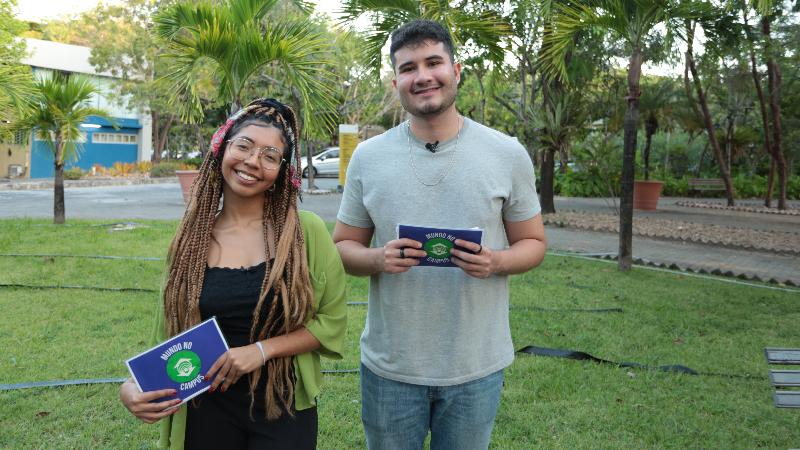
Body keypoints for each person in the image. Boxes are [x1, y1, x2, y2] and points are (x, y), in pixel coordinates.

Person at [332, 20, 547, 450]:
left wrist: (496, 261)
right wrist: (377, 259)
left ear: (457, 70)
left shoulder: (506, 153)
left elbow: (535, 244)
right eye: (409, 67)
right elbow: (342, 247)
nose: (423, 76)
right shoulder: (369, 158)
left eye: (434, 62)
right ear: (396, 82)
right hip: (390, 367)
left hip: (476, 367)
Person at [120, 98, 347, 450]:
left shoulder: (305, 233)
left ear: (282, 172)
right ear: (221, 150)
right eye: (244, 146)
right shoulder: (191, 239)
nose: (253, 161)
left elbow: (330, 322)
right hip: (205, 406)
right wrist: (130, 387)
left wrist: (261, 350)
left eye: (270, 156)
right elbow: (167, 332)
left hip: (282, 405)